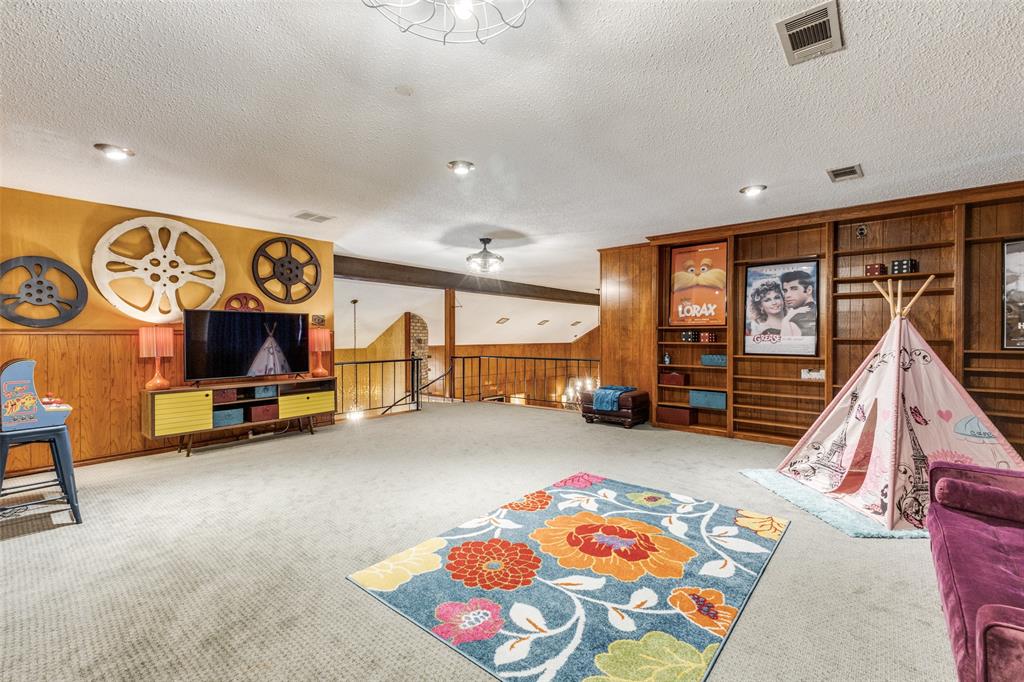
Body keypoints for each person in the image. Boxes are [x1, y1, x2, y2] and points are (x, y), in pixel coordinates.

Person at [780, 270, 817, 336]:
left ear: (809, 290)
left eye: (794, 289)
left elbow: (785, 345)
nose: (787, 295)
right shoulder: (819, 310)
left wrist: (785, 320)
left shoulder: (793, 320)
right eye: (785, 291)